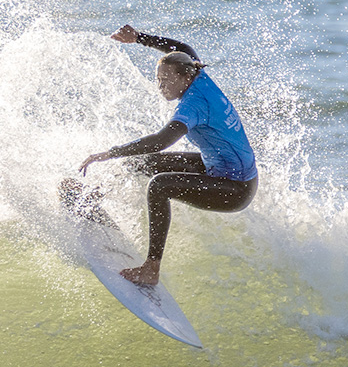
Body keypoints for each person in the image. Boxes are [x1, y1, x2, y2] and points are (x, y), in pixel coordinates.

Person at [79, 24, 258, 286]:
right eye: (158, 79)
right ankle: (96, 196)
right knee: (141, 163)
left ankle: (151, 269)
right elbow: (182, 48)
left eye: (166, 80)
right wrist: (138, 38)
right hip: (217, 167)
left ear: (184, 78)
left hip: (235, 188)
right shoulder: (197, 73)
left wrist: (110, 153)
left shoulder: (193, 105)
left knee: (160, 186)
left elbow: (161, 141)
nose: (160, 86)